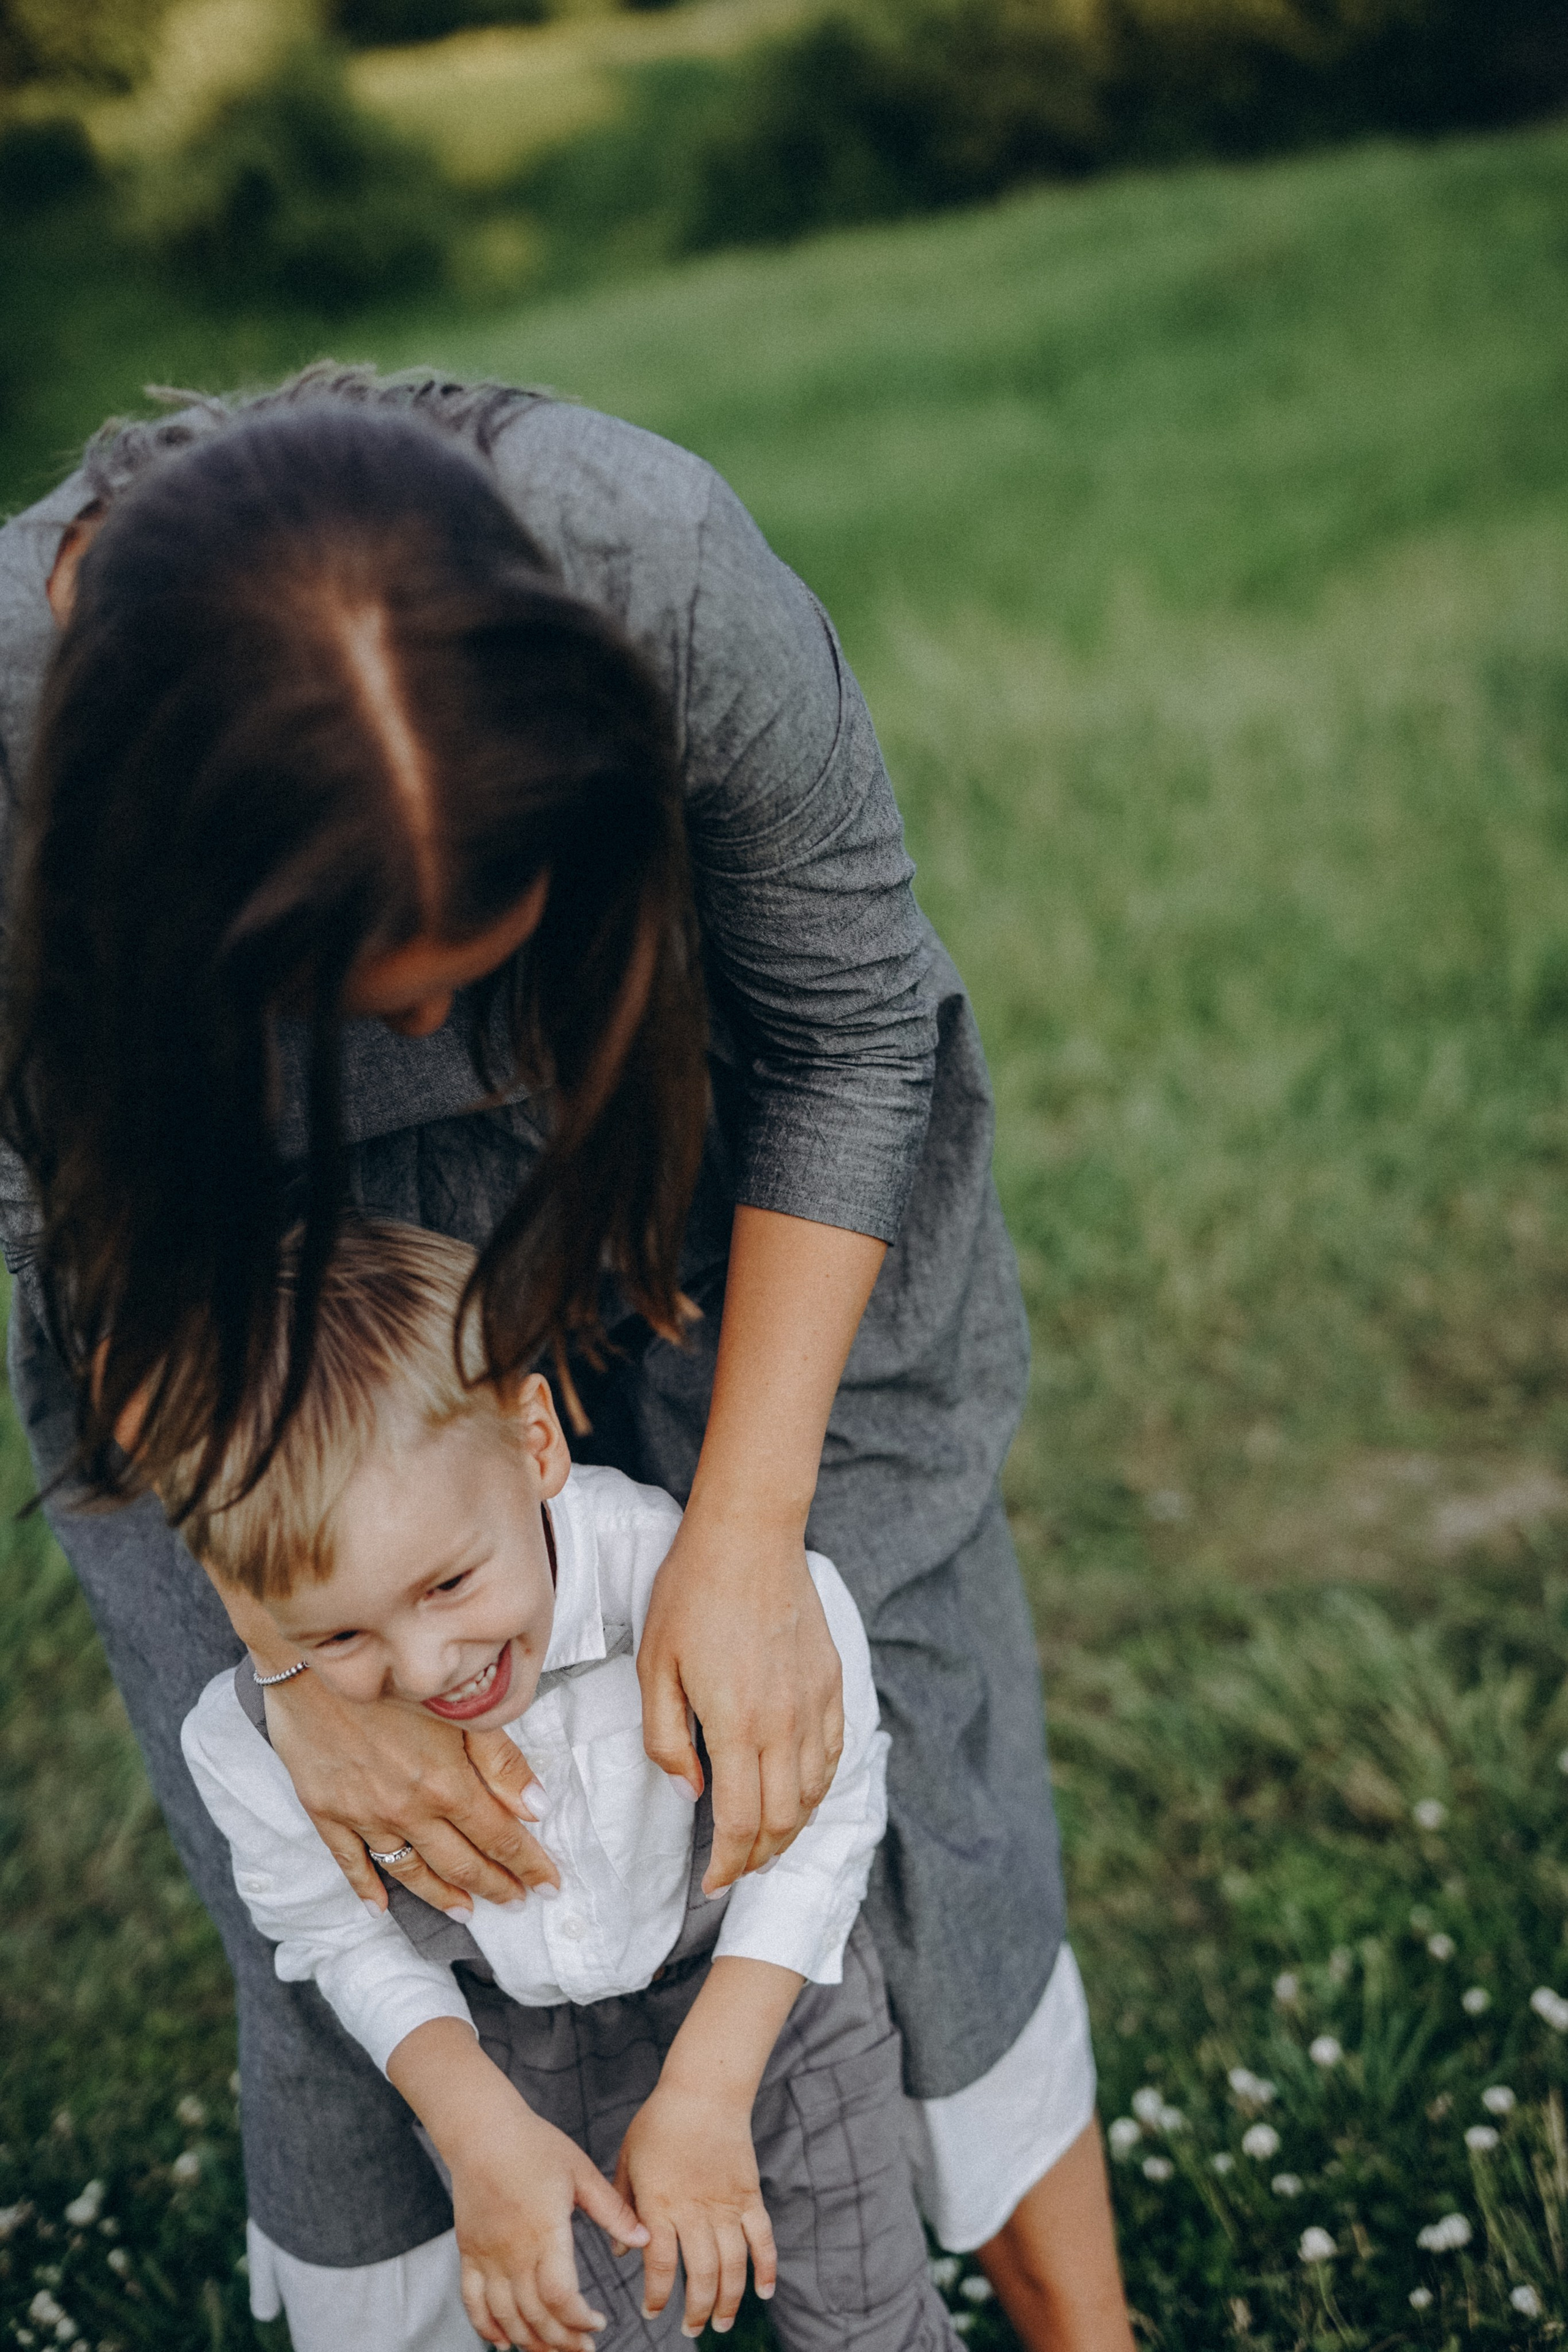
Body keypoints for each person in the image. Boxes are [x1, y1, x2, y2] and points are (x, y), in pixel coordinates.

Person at [0, 366, 1133, 2350]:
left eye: (482, 957)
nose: (440, 1022)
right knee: (369, 1826)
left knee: (883, 1730)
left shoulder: (661, 572)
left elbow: (851, 1036)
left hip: (724, 1203)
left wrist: (755, 1530)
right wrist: (287, 1665)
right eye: (379, 995)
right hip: (235, 1329)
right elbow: (68, 1226)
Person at [179, 1217, 956, 2352]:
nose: (425, 1665)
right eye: (340, 1632)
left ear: (534, 1440)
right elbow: (335, 1933)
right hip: (510, 2070)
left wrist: (713, 2083)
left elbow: (828, 1806)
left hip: (764, 1999)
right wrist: (478, 2130)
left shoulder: (702, 1590)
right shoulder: (255, 1740)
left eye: (450, 1582)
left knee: (871, 2317)